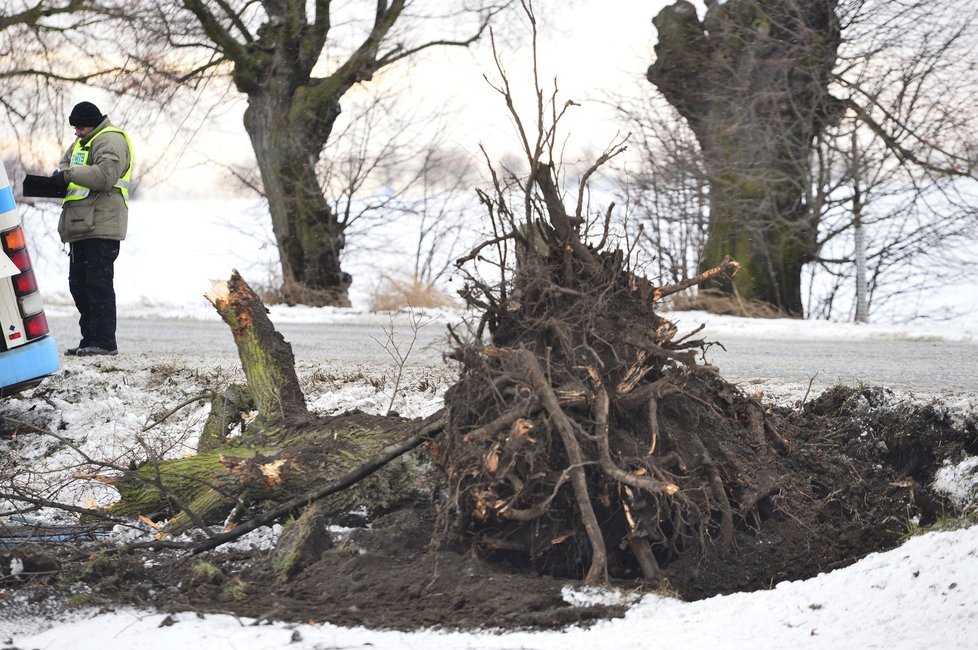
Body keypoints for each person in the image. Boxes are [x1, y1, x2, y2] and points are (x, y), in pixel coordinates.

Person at [50, 101, 133, 356]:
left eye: (81, 127)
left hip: (102, 224)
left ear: (94, 123)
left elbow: (104, 176)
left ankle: (105, 342)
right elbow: (65, 169)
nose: (77, 132)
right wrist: (57, 178)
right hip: (80, 225)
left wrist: (68, 175)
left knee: (98, 285)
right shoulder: (81, 143)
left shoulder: (110, 140)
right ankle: (89, 341)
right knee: (79, 285)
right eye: (75, 127)